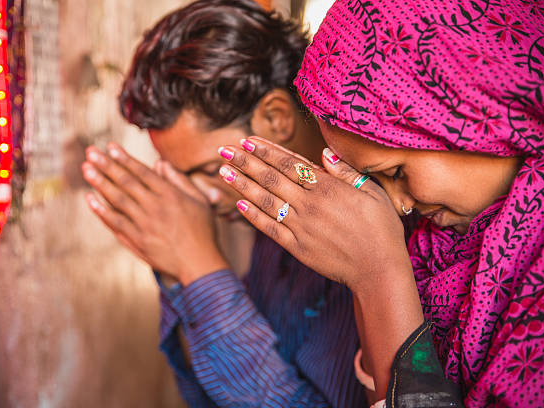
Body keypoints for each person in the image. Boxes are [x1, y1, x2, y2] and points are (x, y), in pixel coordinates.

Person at [217, 0, 544, 406]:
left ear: (482, 112)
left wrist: (378, 278)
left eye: (395, 172)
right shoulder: (435, 249)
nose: (399, 205)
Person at [81, 1, 367, 406]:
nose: (203, 197)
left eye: (209, 168)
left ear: (276, 118)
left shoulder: (373, 231)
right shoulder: (271, 229)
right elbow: (211, 395)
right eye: (184, 176)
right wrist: (179, 269)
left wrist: (199, 267)